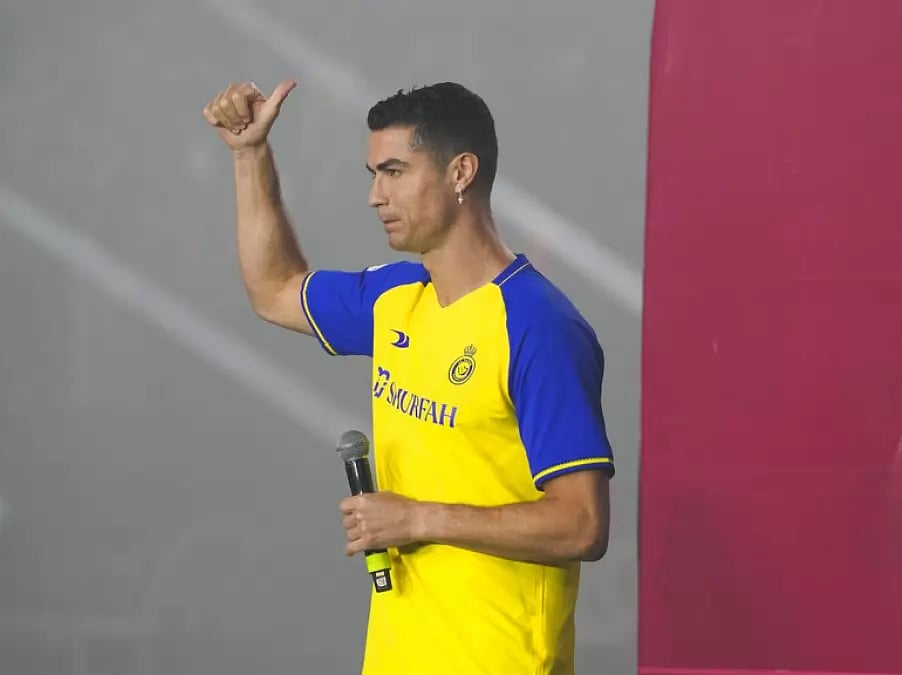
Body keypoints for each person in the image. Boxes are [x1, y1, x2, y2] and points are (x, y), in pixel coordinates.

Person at [203, 78, 615, 674]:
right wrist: (249, 155)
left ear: (460, 172)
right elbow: (274, 290)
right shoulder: (397, 297)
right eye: (374, 174)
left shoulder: (538, 325)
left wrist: (417, 518)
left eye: (394, 172)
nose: (376, 195)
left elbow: (581, 525)